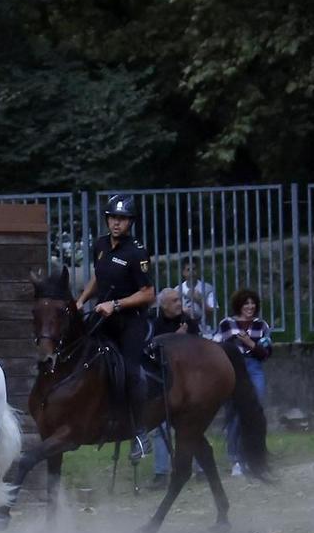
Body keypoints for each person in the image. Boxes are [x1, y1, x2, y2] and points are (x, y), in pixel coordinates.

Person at [74, 194, 157, 459]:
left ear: (130, 222)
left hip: (130, 321)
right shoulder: (100, 245)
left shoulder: (137, 252)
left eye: (121, 219)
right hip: (103, 317)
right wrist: (81, 300)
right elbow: (99, 278)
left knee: (132, 371)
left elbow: (148, 293)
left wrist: (116, 304)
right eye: (112, 218)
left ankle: (140, 433)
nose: (116, 223)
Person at [216, 289, 272, 477]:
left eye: (253, 303)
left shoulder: (261, 325)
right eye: (246, 303)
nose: (250, 307)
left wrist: (250, 343)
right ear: (239, 305)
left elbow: (266, 353)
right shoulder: (227, 324)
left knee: (253, 413)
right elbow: (217, 347)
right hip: (233, 370)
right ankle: (236, 459)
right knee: (235, 416)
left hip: (254, 368)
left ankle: (253, 457)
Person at [146, 288, 195, 474]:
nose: (179, 304)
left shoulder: (188, 321)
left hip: (189, 381)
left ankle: (198, 469)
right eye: (174, 301)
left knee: (193, 425)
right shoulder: (155, 324)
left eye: (179, 300)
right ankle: (161, 472)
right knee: (161, 427)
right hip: (166, 382)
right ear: (163, 305)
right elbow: (153, 351)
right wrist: (177, 337)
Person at [176, 258, 219, 339]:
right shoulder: (177, 290)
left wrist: (200, 301)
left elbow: (214, 313)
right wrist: (182, 311)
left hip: (205, 331)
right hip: (184, 332)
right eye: (188, 270)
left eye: (194, 269)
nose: (192, 272)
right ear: (183, 273)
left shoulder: (208, 288)